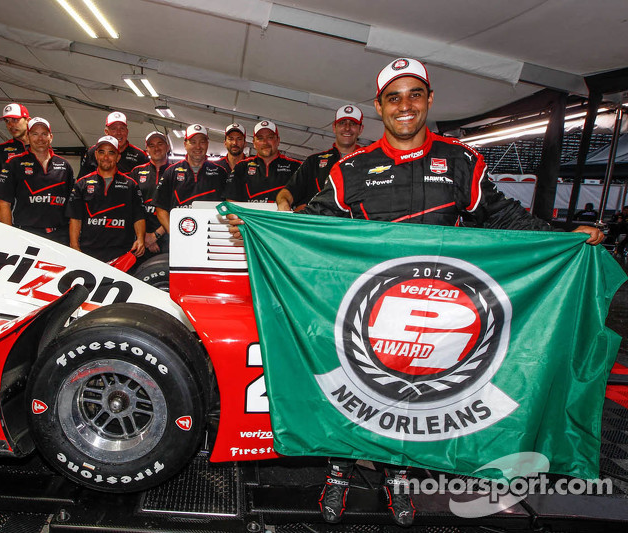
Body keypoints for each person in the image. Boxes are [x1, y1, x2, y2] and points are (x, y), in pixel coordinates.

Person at [229, 57, 603, 527]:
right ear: (380, 107)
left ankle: (400, 478)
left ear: (428, 100)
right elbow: (315, 222)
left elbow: (502, 215)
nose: (404, 105)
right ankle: (340, 471)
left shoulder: (462, 161)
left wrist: (562, 239)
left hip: (438, 312)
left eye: (414, 94)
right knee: (360, 389)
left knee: (419, 398)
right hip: (366, 311)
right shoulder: (351, 169)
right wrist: (265, 225)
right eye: (393, 97)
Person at [0, 117, 74, 244]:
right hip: (27, 234)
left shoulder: (64, 165)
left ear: (51, 137)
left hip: (59, 236)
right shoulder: (14, 163)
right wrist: (8, 236)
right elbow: (4, 203)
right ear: (28, 136)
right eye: (35, 134)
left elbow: (72, 205)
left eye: (44, 134)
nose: (40, 139)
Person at [68, 135, 145, 262]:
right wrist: (74, 246)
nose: (106, 157)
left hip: (122, 253)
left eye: (111, 153)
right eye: (102, 152)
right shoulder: (82, 184)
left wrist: (140, 239)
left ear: (118, 157)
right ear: (96, 155)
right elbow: (75, 218)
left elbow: (138, 216)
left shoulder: (131, 185)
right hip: (88, 252)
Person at [276, 105, 364, 211]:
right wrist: (283, 203)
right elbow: (288, 191)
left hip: (355, 224)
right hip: (318, 225)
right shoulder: (313, 162)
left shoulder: (369, 161)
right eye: (342, 123)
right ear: (334, 127)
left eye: (353, 124)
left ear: (360, 129)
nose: (347, 128)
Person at [152, 124, 228, 233]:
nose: (198, 147)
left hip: (211, 236)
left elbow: (229, 206)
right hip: (181, 236)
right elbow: (160, 208)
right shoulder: (171, 172)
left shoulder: (221, 173)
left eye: (202, 142)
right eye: (193, 142)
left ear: (207, 144)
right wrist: (175, 234)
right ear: (185, 144)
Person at [224, 120, 301, 203]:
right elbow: (231, 201)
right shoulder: (242, 167)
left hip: (283, 216)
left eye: (270, 137)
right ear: (254, 143)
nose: (265, 142)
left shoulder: (296, 167)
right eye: (260, 138)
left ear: (278, 140)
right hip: (250, 216)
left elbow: (304, 202)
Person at [0, 103, 31, 220]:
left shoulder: (41, 149)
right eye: (7, 121)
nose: (11, 125)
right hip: (8, 215)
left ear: (28, 120)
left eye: (15, 120)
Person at [130, 131, 173, 255]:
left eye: (160, 143)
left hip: (167, 238)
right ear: (147, 149)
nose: (156, 148)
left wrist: (155, 235)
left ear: (167, 147)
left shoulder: (176, 171)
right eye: (152, 145)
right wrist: (142, 236)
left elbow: (178, 207)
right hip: (140, 240)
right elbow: (132, 207)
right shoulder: (136, 172)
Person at [78, 111, 149, 178]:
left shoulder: (140, 156)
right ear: (106, 132)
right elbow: (81, 182)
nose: (118, 132)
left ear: (127, 131)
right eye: (114, 129)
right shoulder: (93, 152)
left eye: (122, 128)